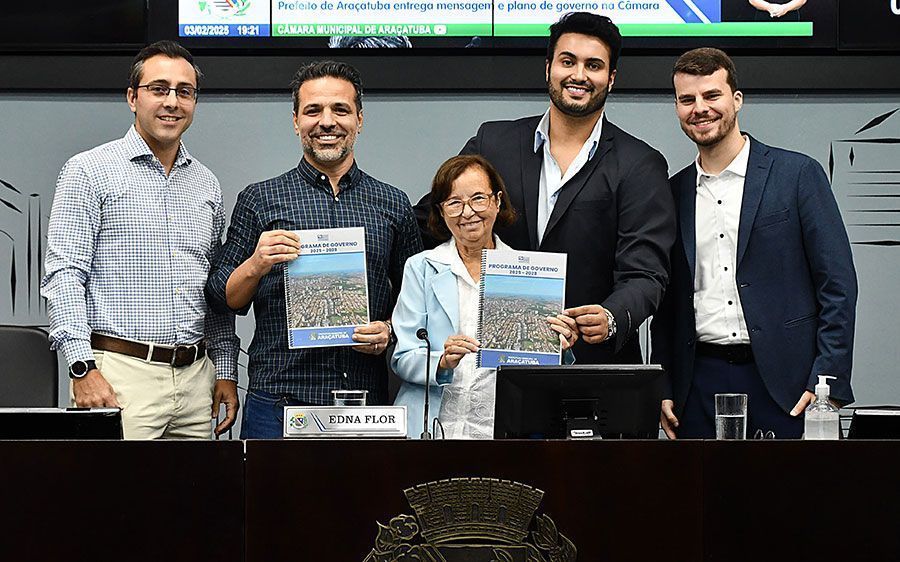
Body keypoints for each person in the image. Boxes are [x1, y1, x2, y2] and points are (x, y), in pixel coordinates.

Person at [414, 12, 675, 365]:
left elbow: (645, 273)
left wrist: (611, 317)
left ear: (611, 79)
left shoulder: (640, 164)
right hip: (490, 363)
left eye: (594, 65)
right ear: (548, 67)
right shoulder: (494, 143)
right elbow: (430, 220)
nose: (579, 75)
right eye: (568, 61)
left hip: (589, 365)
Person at [206, 61, 422, 439]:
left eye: (340, 109)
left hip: (364, 402)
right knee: (267, 501)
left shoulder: (392, 203)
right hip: (278, 400)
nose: (326, 122)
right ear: (295, 121)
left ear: (359, 119)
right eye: (313, 110)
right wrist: (257, 263)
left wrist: (388, 330)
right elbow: (222, 297)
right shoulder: (261, 199)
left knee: (362, 501)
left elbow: (415, 303)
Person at [651, 47, 857, 439]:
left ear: (736, 100)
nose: (700, 108)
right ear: (677, 107)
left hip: (789, 385)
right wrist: (662, 384)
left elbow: (838, 286)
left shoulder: (797, 175)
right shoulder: (670, 193)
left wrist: (826, 382)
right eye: (687, 99)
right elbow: (665, 302)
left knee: (794, 499)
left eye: (712, 96)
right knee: (701, 501)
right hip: (696, 386)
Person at [41, 40, 240, 439]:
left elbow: (214, 289)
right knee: (115, 500)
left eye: (184, 92)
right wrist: (82, 367)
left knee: (196, 501)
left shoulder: (206, 184)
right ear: (133, 97)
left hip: (196, 378)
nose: (172, 101)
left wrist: (227, 370)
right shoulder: (89, 171)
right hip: (118, 377)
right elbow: (64, 275)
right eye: (158, 88)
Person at [392, 155, 579, 438]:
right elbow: (403, 357)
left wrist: (561, 348)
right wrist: (441, 361)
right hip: (429, 430)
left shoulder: (530, 272)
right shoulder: (421, 268)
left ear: (498, 201)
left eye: (479, 198)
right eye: (454, 203)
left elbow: (549, 375)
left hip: (504, 432)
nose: (467, 213)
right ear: (441, 211)